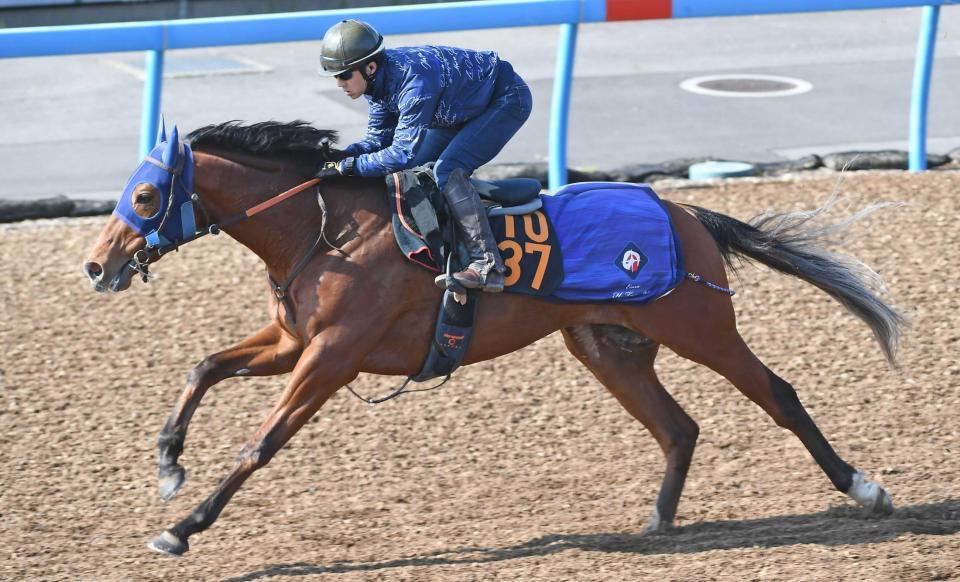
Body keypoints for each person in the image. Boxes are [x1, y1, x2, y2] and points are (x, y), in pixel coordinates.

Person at [316, 19, 533, 293]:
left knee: (447, 169)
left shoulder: (413, 83)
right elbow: (377, 140)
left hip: (505, 99)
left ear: (369, 67)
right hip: (462, 107)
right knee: (416, 171)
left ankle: (486, 265)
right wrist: (337, 157)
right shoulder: (376, 83)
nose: (339, 83)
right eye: (335, 76)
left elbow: (401, 154)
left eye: (344, 75)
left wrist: (349, 167)